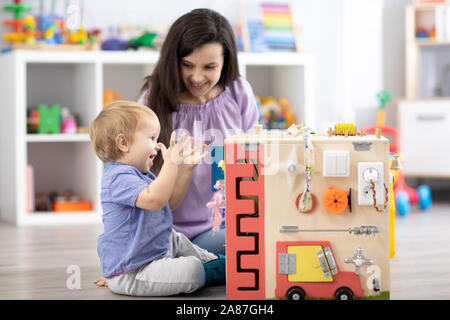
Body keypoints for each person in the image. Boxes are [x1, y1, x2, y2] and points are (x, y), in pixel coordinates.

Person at [138, 8, 259, 255]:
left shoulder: (238, 91)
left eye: (209, 67)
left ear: (226, 62)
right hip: (167, 231)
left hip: (223, 226)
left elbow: (253, 160)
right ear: (174, 60)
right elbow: (134, 179)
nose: (197, 77)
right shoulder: (154, 99)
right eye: (187, 65)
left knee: (269, 239)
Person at [89, 100, 225, 296]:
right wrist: (171, 163)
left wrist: (185, 169)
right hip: (135, 271)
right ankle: (210, 269)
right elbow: (156, 200)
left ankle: (215, 262)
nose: (158, 145)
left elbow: (169, 202)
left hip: (153, 252)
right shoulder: (117, 177)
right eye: (151, 138)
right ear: (123, 143)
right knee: (192, 270)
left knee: (174, 237)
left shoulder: (140, 174)